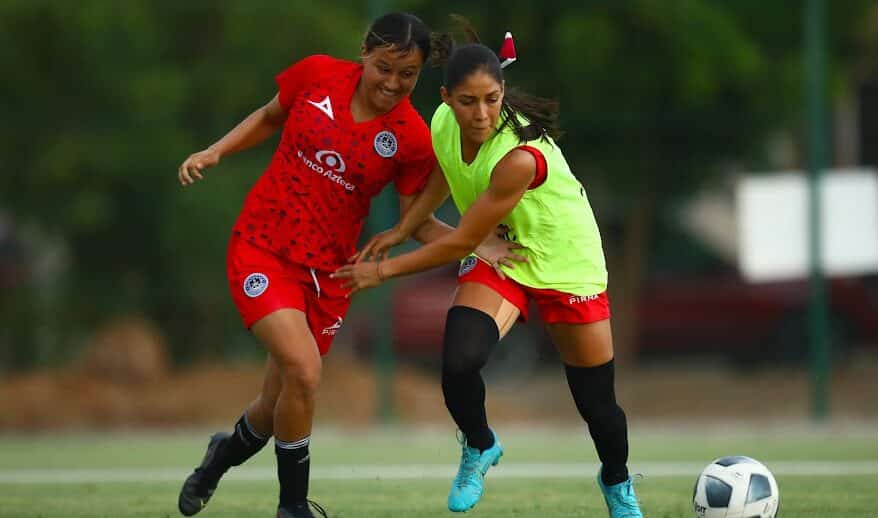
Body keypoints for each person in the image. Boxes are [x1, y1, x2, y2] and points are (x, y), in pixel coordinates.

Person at [175, 13, 523, 518]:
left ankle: (215, 463)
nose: (393, 83)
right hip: (263, 249)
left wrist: (475, 245)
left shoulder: (411, 137)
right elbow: (271, 115)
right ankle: (293, 506)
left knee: (277, 405)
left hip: (328, 275)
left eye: (408, 74)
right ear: (365, 52)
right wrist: (216, 150)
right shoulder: (317, 74)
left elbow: (417, 224)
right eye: (384, 68)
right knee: (304, 369)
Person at [332, 31, 644, 517]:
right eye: (468, 102)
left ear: (503, 94)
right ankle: (479, 444)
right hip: (505, 255)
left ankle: (617, 481)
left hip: (566, 261)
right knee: (459, 357)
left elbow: (457, 240)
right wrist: (402, 228)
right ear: (446, 100)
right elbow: (445, 174)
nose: (480, 114)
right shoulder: (441, 122)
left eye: (491, 101)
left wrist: (382, 271)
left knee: (597, 405)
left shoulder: (518, 157)